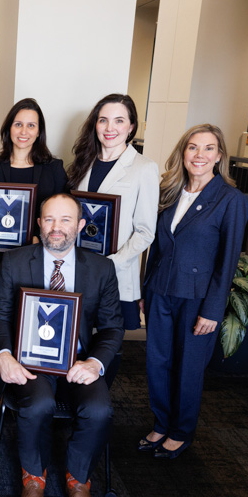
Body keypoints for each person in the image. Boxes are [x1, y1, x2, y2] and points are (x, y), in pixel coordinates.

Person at [0, 193, 123, 497]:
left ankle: (79, 483)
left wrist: (94, 363)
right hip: (30, 362)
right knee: (39, 405)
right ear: (38, 223)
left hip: (78, 363)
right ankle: (33, 481)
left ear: (80, 225)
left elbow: (112, 327)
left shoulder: (101, 268)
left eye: (65, 220)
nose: (56, 228)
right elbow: (1, 316)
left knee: (99, 410)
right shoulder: (15, 261)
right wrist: (4, 356)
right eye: (49, 219)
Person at [141, 124, 248, 459]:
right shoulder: (170, 191)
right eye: (192, 147)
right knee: (157, 362)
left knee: (188, 367)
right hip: (161, 291)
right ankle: (161, 423)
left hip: (198, 298)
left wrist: (213, 310)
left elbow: (227, 261)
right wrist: (146, 289)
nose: (199, 155)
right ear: (182, 152)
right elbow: (156, 247)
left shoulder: (230, 199)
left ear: (219, 156)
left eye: (208, 148)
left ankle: (181, 431)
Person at [67, 93, 159, 351]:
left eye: (119, 121)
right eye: (103, 120)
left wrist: (111, 263)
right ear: (94, 125)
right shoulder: (82, 163)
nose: (110, 128)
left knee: (107, 345)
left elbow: (145, 232)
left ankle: (100, 391)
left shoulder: (144, 168)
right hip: (80, 266)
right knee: (75, 339)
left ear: (131, 127)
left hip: (115, 271)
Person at [0, 98, 68, 313]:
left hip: (39, 255)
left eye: (31, 125)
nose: (23, 131)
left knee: (33, 313)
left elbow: (63, 213)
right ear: (8, 128)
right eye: (18, 124)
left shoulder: (54, 169)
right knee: (0, 309)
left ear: (39, 131)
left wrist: (38, 238)